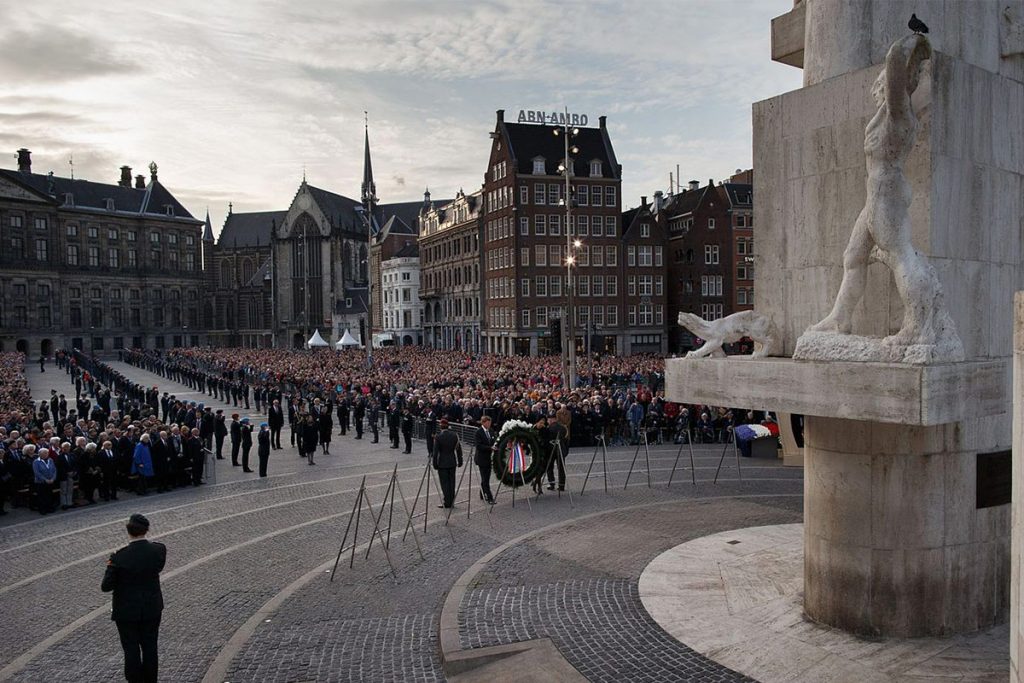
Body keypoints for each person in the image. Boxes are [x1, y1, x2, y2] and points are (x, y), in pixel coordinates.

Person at [102, 513, 166, 683]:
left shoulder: (118, 557)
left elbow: (106, 586)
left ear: (128, 531)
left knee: (131, 649)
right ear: (147, 530)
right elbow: (157, 567)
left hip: (126, 611)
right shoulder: (159, 550)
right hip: (152, 607)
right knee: (150, 647)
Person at [431, 418, 462, 508]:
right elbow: (458, 450)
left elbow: (435, 452)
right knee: (452, 483)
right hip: (452, 462)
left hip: (442, 463)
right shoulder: (454, 435)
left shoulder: (438, 437)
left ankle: (447, 502)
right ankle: (451, 501)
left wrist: (435, 464)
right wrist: (460, 461)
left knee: (445, 484)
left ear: (440, 426)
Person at [547, 407, 570, 491]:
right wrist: (565, 451)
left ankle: (551, 483)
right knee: (561, 468)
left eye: (549, 419)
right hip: (561, 450)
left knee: (550, 467)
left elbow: (547, 441)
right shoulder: (563, 428)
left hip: (551, 451)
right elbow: (567, 440)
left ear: (551, 419)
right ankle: (561, 485)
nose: (548, 421)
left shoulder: (548, 429)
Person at [474, 415, 495, 504]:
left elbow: (494, 440)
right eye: (487, 422)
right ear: (483, 423)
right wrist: (490, 448)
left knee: (486, 477)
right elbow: (479, 446)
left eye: (490, 422)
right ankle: (489, 497)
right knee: (485, 478)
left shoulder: (491, 431)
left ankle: (482, 493)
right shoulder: (479, 432)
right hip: (481, 458)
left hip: (489, 458)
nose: (489, 424)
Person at [32, 447, 56, 514]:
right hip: (41, 482)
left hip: (50, 481)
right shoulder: (36, 462)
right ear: (39, 454)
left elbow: (54, 470)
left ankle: (49, 507)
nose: (46, 454)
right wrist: (45, 479)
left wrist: (53, 478)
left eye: (47, 453)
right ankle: (43, 509)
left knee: (49, 495)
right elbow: (37, 473)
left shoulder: (50, 460)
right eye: (44, 453)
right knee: (42, 496)